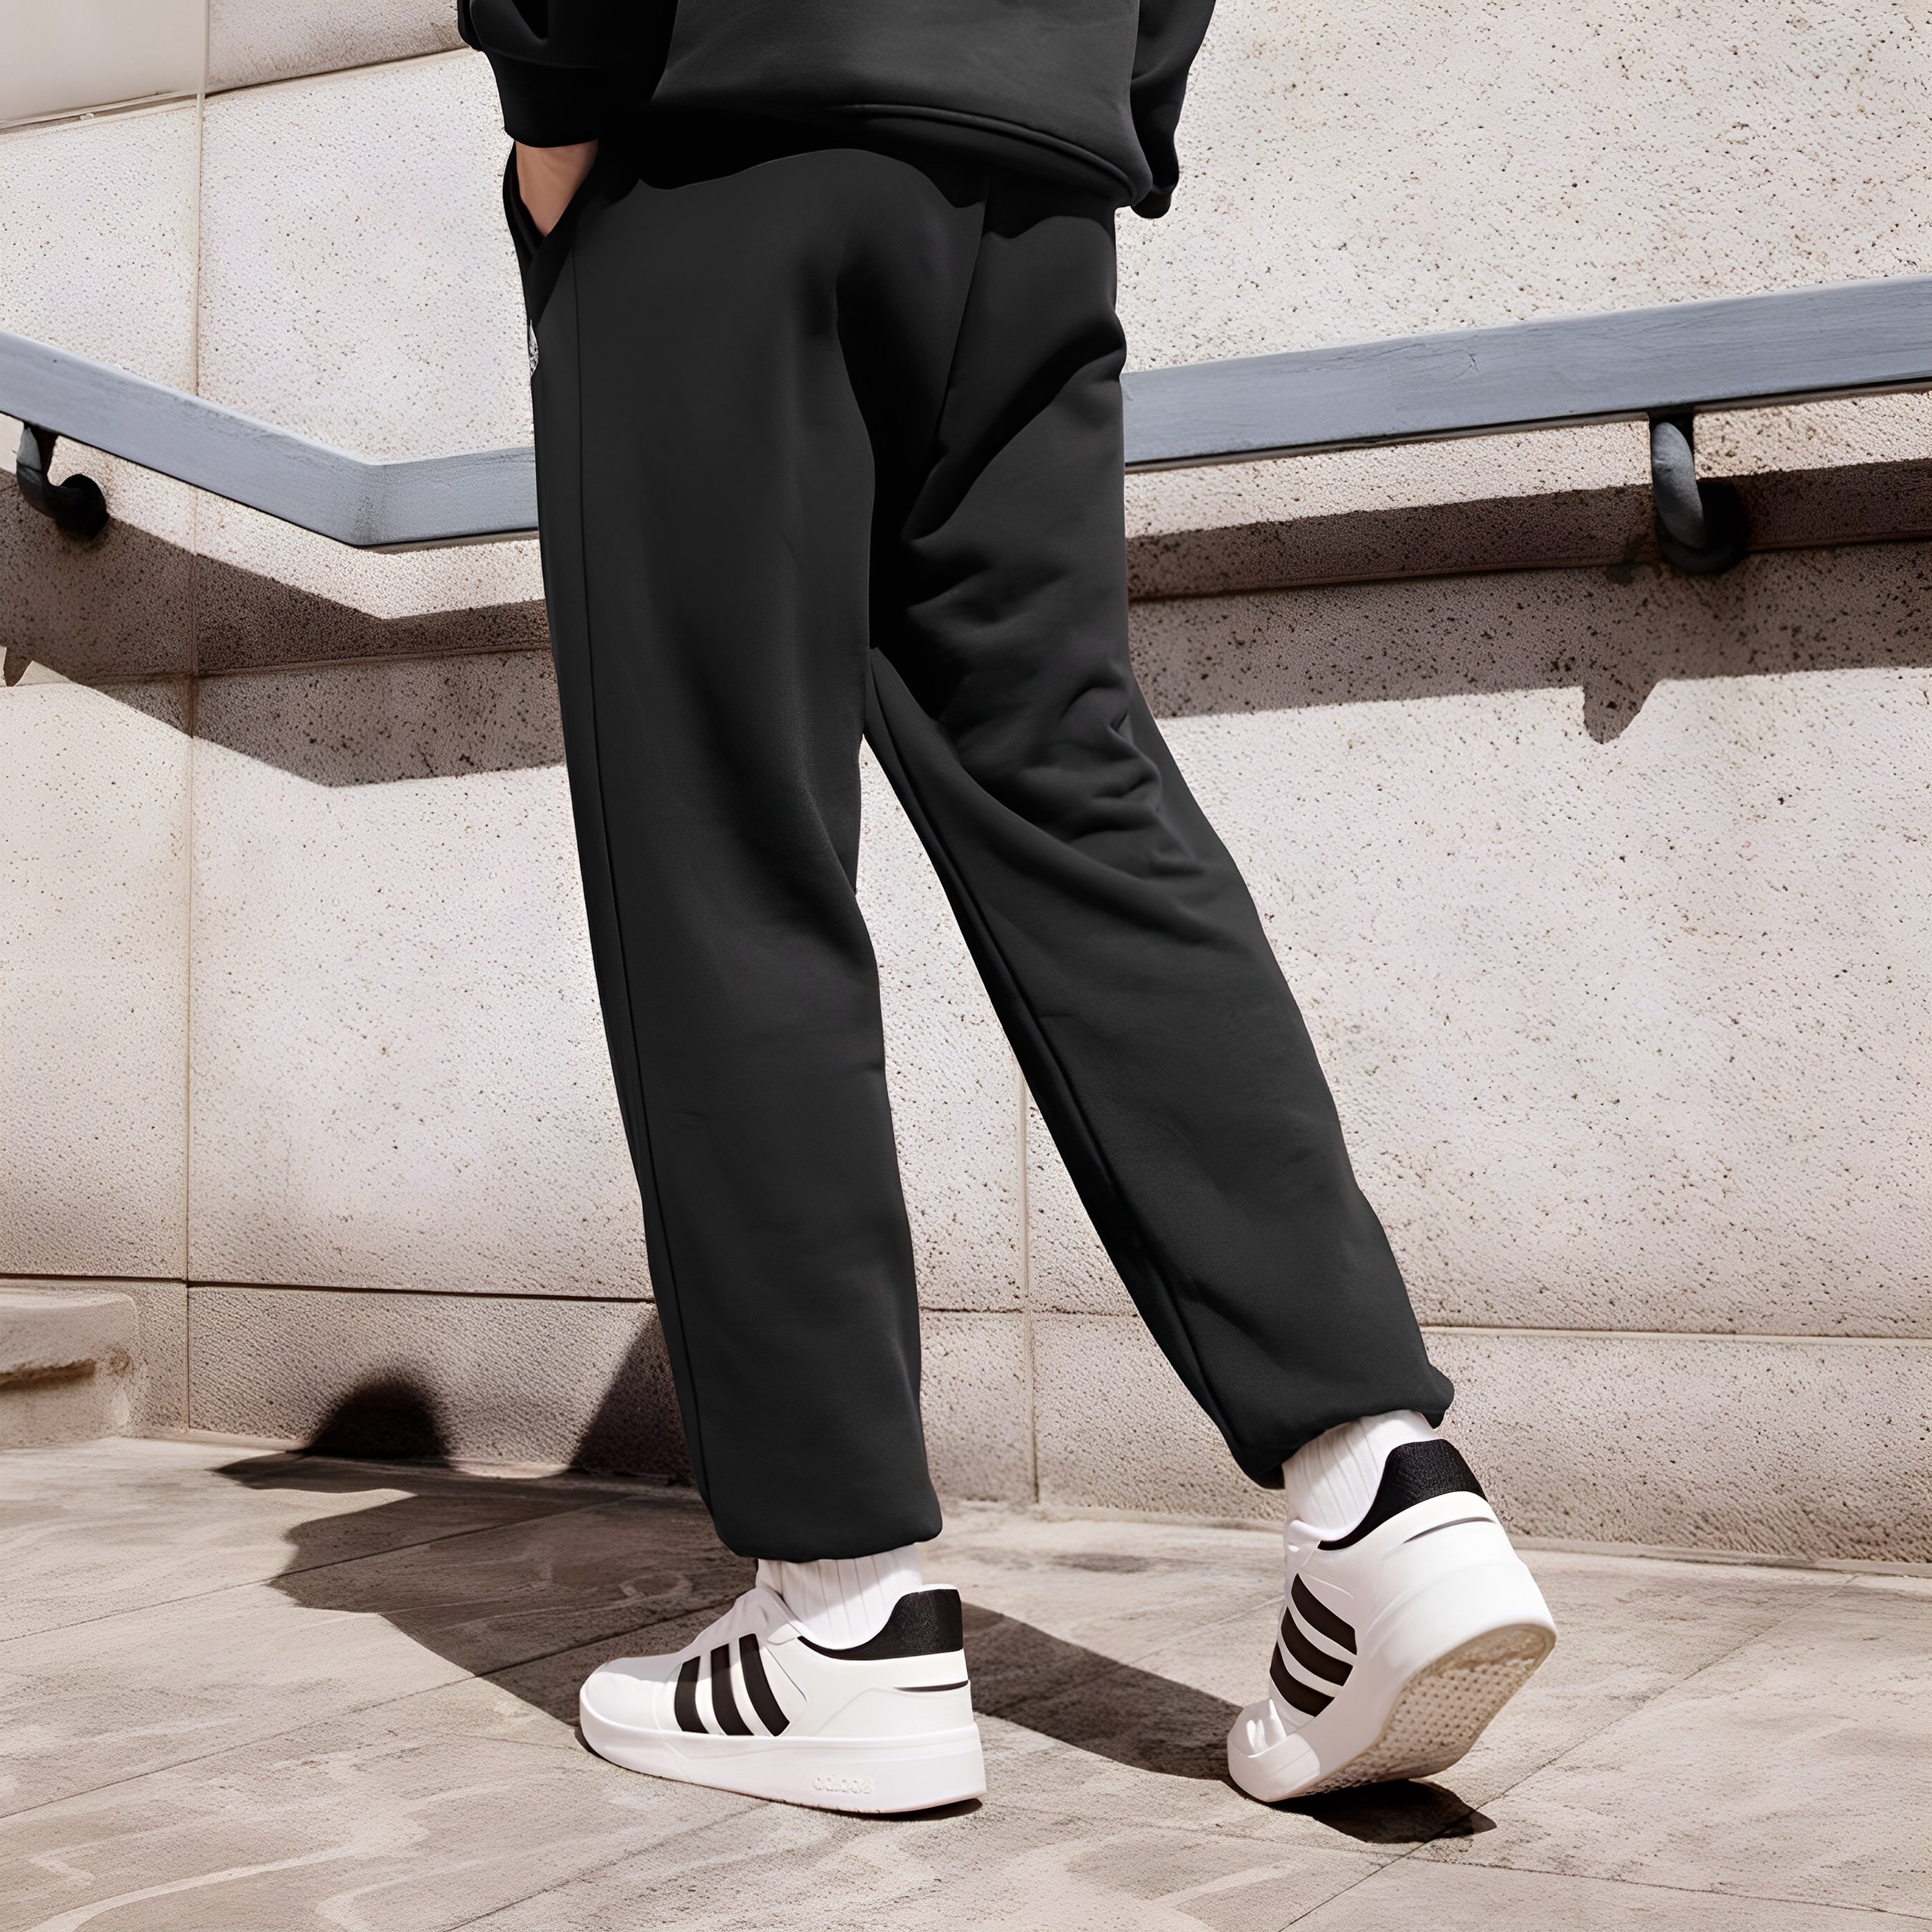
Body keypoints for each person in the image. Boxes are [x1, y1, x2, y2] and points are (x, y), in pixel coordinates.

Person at [457, 0, 1556, 1815]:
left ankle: (843, 1617)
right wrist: (1099, 89)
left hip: (721, 136)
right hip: (1030, 180)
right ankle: (1385, 1491)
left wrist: (554, 96)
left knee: (721, 845)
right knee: (1077, 790)